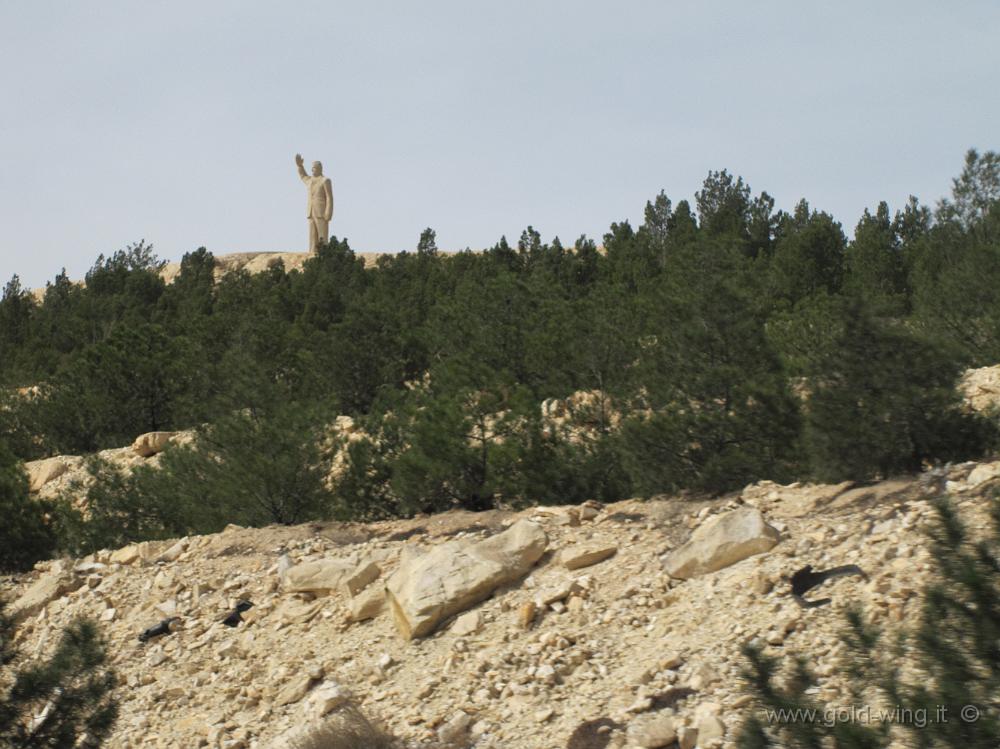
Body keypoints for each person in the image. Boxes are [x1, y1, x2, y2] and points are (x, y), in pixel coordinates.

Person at [295, 153, 334, 253]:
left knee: (322, 235)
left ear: (320, 169)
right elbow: (303, 175)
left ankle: (324, 253)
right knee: (312, 235)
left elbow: (329, 197)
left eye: (314, 168)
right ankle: (312, 253)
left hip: (321, 211)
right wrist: (300, 166)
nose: (312, 170)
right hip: (311, 211)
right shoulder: (310, 180)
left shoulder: (325, 180)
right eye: (312, 168)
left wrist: (328, 212)